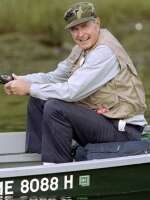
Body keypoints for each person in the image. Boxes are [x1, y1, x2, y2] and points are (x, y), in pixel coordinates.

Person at [4, 2, 147, 164]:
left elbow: (72, 92)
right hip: (102, 120)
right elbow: (55, 77)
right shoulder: (81, 49)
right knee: (38, 99)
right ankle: (37, 160)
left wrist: (29, 88)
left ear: (97, 23)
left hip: (123, 131)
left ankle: (57, 170)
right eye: (74, 29)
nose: (80, 34)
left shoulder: (104, 52)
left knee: (55, 107)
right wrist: (23, 80)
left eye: (84, 26)